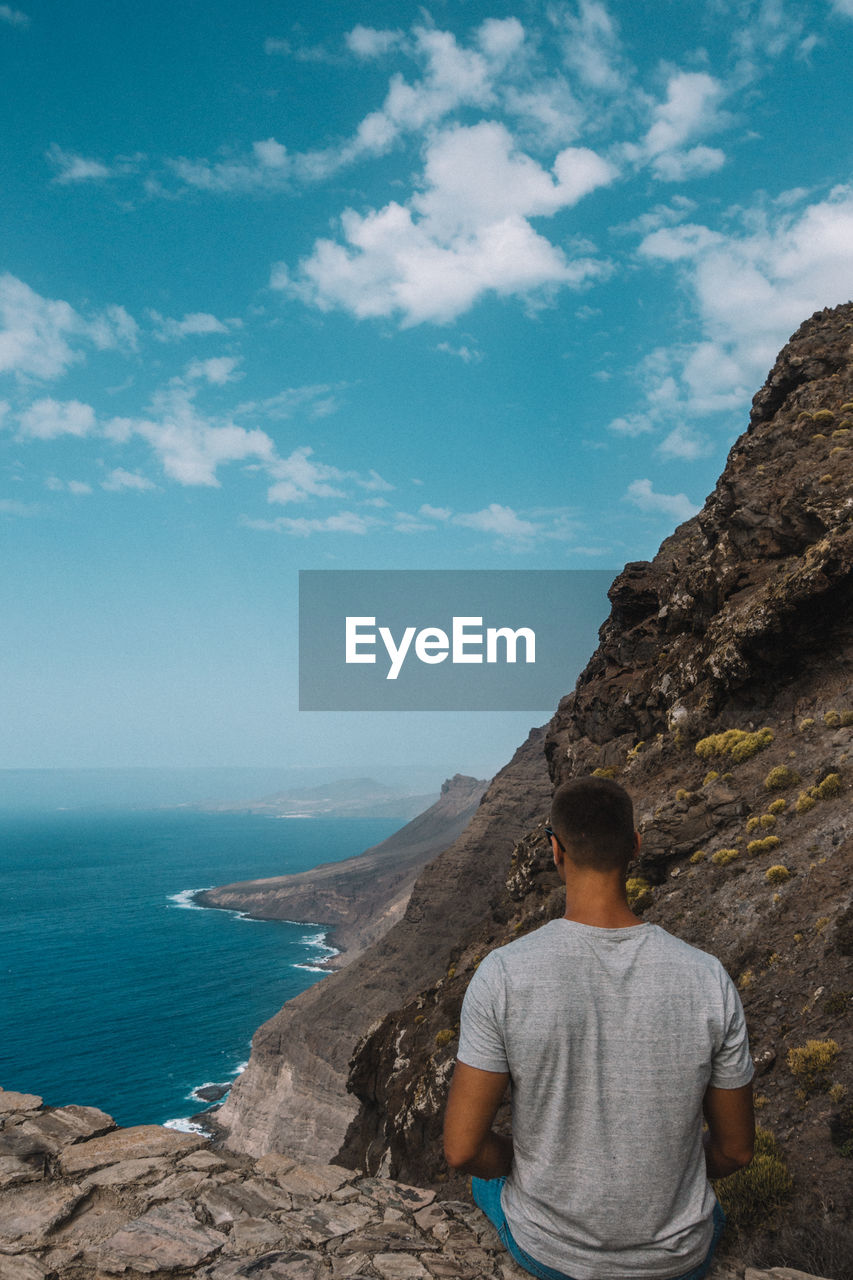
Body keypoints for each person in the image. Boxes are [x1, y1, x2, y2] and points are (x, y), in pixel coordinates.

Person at [443, 775, 754, 1280]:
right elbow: (736, 1150)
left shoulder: (505, 974)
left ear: (554, 851)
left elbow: (462, 1149)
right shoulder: (707, 977)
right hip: (676, 1262)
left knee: (484, 1183)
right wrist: (665, 1170)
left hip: (554, 1257)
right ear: (635, 845)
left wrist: (531, 1163)